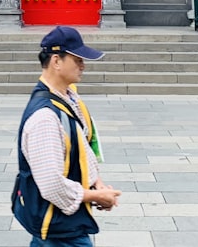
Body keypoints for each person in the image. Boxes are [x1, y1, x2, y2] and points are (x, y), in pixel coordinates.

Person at [12, 26, 122, 246]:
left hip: (64, 223)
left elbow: (82, 148)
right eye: (77, 59)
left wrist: (97, 184)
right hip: (59, 229)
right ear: (56, 61)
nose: (83, 66)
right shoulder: (45, 116)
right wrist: (96, 197)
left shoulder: (68, 99)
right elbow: (52, 185)